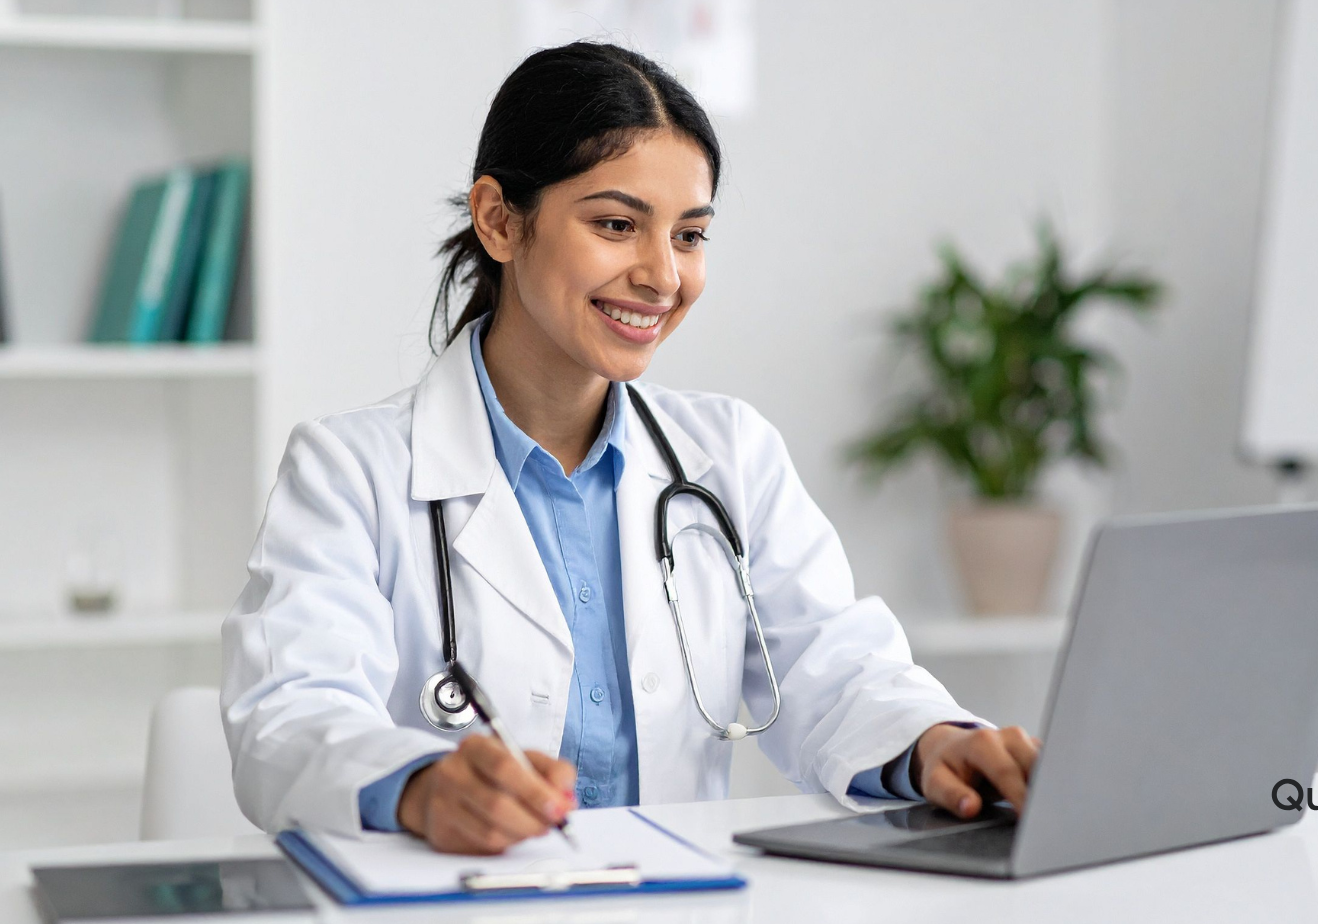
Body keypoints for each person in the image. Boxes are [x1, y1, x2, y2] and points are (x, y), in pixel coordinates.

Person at [221, 41, 1039, 856]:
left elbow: (838, 671)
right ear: (500, 220)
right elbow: (290, 718)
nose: (662, 275)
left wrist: (936, 742)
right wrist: (422, 785)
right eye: (617, 225)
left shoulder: (730, 455)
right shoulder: (349, 473)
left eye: (689, 235)